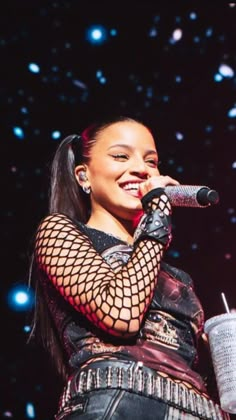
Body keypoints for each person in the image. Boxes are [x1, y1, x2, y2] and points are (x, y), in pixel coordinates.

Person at [31, 116, 229, 419]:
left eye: (152, 161)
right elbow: (121, 314)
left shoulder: (178, 277)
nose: (142, 168)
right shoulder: (59, 230)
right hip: (120, 403)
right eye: (120, 156)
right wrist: (157, 218)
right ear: (83, 176)